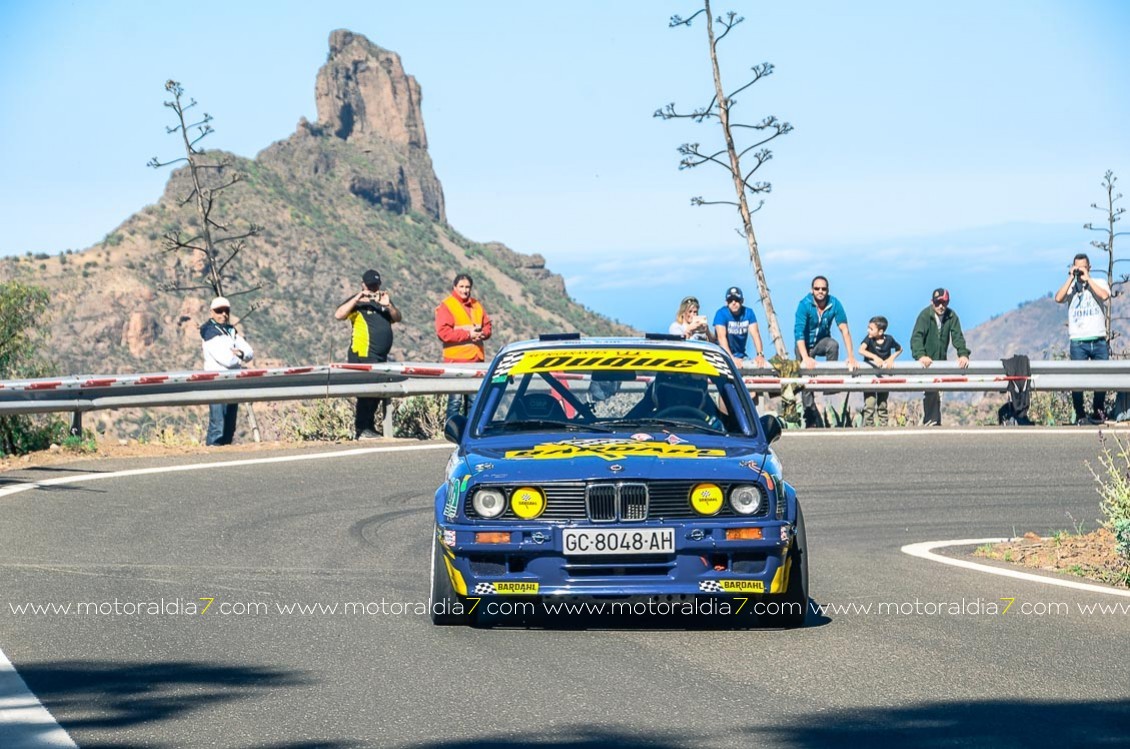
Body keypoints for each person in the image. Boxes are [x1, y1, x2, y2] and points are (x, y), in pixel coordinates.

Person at [335, 269, 402, 439]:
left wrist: (388, 305)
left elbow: (397, 317)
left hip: (380, 356)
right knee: (366, 393)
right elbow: (339, 315)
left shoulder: (383, 302)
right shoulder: (357, 303)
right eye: (370, 286)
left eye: (376, 285)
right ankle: (362, 428)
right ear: (363, 285)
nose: (373, 289)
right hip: (362, 354)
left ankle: (369, 427)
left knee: (377, 392)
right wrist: (358, 298)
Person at [1054, 253, 1111, 425]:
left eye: (1083, 268)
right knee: (1077, 381)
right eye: (1077, 268)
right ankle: (1080, 414)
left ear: (1089, 267)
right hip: (1078, 341)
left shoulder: (1099, 283)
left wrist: (1088, 280)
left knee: (1102, 379)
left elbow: (1104, 296)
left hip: (1098, 339)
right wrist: (1071, 278)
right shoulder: (1071, 287)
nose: (1080, 271)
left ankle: (1098, 412)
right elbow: (1058, 298)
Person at [794, 276, 858, 427]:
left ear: (828, 290)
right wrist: (805, 358)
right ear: (812, 290)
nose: (820, 291)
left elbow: (844, 329)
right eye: (817, 289)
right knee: (805, 380)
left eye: (823, 289)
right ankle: (809, 416)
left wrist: (851, 357)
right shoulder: (804, 305)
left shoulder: (834, 303)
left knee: (833, 345)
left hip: (822, 342)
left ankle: (829, 385)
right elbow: (798, 333)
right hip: (804, 345)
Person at [435, 273, 492, 421]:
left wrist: (482, 334)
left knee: (474, 402)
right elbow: (443, 333)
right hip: (456, 362)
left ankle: (469, 433)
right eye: (461, 287)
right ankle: (452, 432)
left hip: (476, 361)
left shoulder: (477, 305)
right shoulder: (447, 305)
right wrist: (469, 335)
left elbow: (487, 326)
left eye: (467, 287)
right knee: (455, 401)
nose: (464, 290)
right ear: (455, 287)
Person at [909, 288, 970, 426]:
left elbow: (957, 336)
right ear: (932, 302)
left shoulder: (951, 316)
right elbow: (916, 337)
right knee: (931, 392)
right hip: (927, 362)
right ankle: (931, 423)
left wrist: (963, 354)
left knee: (938, 393)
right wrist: (921, 355)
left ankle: (933, 423)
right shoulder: (925, 316)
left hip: (941, 362)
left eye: (944, 302)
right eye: (938, 303)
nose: (941, 306)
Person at [200, 296, 254, 446]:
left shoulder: (230, 330)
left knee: (229, 426)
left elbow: (249, 352)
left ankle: (224, 459)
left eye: (226, 311)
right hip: (216, 383)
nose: (223, 314)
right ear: (211, 312)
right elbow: (227, 360)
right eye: (219, 311)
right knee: (218, 427)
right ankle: (211, 458)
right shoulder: (208, 331)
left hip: (232, 382)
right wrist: (238, 358)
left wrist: (240, 354)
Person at [858, 315, 902, 427]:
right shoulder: (869, 339)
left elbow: (899, 349)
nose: (868, 330)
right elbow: (861, 350)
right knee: (870, 403)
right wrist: (875, 357)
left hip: (884, 377)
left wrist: (891, 358)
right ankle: (868, 426)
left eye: (871, 329)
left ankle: (883, 426)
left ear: (880, 331)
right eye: (868, 327)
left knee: (882, 403)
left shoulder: (889, 339)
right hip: (869, 377)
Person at [712, 287, 767, 368]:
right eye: (730, 300)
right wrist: (731, 358)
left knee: (761, 367)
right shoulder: (721, 314)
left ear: (742, 301)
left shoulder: (748, 313)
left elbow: (755, 334)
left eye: (737, 300)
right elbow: (721, 338)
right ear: (726, 302)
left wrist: (760, 355)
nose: (734, 303)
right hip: (722, 355)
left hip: (741, 356)